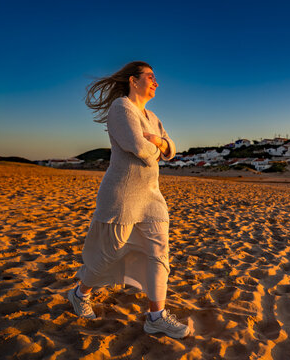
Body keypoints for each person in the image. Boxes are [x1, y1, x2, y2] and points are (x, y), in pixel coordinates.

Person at [67, 61, 190, 339]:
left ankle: (156, 316)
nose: (156, 82)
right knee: (108, 251)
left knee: (159, 252)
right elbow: (137, 147)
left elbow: (171, 149)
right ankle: (79, 293)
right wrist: (157, 145)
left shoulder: (152, 116)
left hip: (151, 196)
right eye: (150, 77)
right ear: (133, 81)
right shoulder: (121, 108)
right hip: (122, 196)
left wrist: (158, 142)